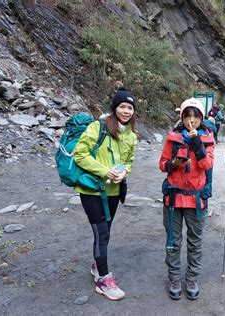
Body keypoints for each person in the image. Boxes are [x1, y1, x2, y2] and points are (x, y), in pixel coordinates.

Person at [74, 87, 138, 301]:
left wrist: (124, 173)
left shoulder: (131, 136)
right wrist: (104, 171)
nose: (126, 111)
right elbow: (80, 155)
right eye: (122, 106)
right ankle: (103, 279)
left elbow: (128, 162)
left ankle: (96, 263)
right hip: (92, 189)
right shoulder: (97, 127)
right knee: (101, 232)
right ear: (114, 108)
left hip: (113, 191)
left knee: (106, 231)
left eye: (130, 107)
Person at [159, 98, 215, 300]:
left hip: (195, 200)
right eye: (187, 116)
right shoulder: (173, 139)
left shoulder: (208, 139)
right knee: (172, 240)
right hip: (173, 199)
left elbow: (206, 165)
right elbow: (162, 165)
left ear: (201, 118)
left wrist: (197, 142)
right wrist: (174, 163)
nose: (191, 121)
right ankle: (174, 277)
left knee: (195, 241)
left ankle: (191, 277)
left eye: (195, 117)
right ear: (181, 117)